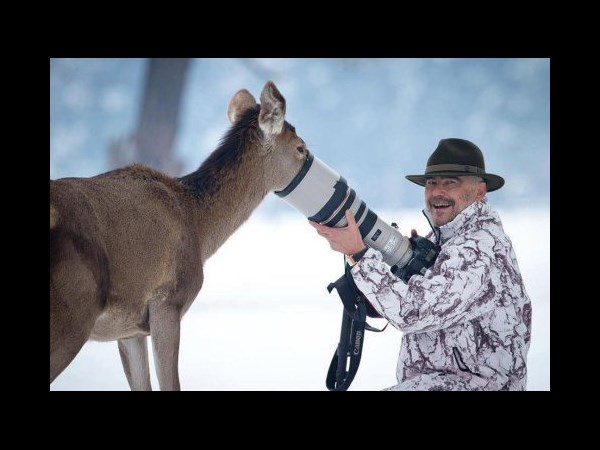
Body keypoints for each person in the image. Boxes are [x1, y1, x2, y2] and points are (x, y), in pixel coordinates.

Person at [310, 138, 532, 391]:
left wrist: (359, 255)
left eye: (451, 182)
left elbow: (412, 312)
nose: (438, 191)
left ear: (480, 191)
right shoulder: (448, 242)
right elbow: (421, 301)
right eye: (431, 183)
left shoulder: (479, 248)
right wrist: (397, 267)